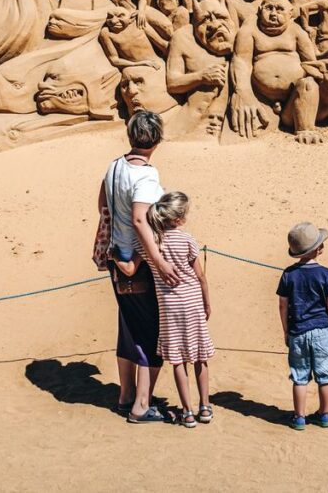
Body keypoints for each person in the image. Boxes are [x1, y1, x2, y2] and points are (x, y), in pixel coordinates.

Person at [98, 110, 179, 424]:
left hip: (116, 258)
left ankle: (126, 395)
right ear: (157, 140)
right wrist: (157, 260)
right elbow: (139, 218)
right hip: (137, 262)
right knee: (149, 333)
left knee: (128, 327)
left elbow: (103, 203)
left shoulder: (115, 166)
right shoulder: (146, 176)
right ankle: (142, 405)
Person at [137, 191, 215, 428]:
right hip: (192, 302)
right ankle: (205, 406)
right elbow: (200, 276)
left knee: (178, 360)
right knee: (200, 356)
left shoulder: (152, 243)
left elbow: (136, 261)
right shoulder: (188, 240)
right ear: (180, 217)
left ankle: (187, 411)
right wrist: (207, 302)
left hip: (170, 307)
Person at [277, 222, 328, 431]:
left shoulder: (288, 274)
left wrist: (286, 331)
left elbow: (282, 304)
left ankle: (299, 417)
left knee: (300, 377)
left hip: (297, 331)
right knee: (325, 376)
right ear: (318, 249)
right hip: (323, 330)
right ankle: (324, 414)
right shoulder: (325, 273)